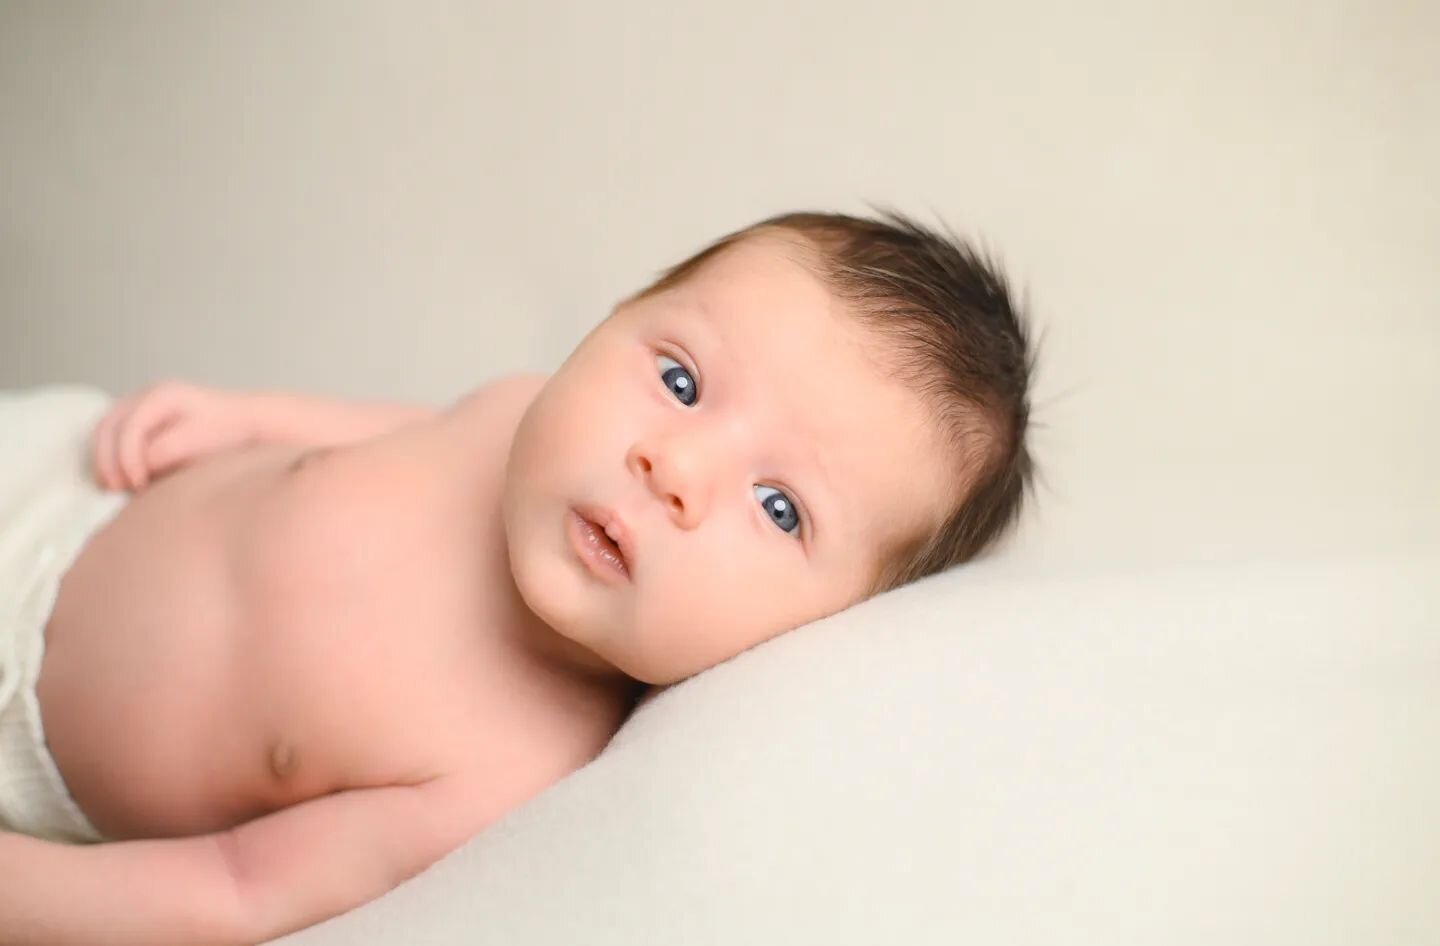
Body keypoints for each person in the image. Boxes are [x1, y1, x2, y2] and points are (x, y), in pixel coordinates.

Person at [0, 208, 1039, 945]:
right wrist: (247, 416)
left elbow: (237, 892)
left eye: (780, 508)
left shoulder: (511, 765)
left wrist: (31, 895)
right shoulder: (513, 417)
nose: (673, 468)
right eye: (679, 380)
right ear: (613, 318)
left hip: (32, 757)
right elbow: (382, 432)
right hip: (67, 484)